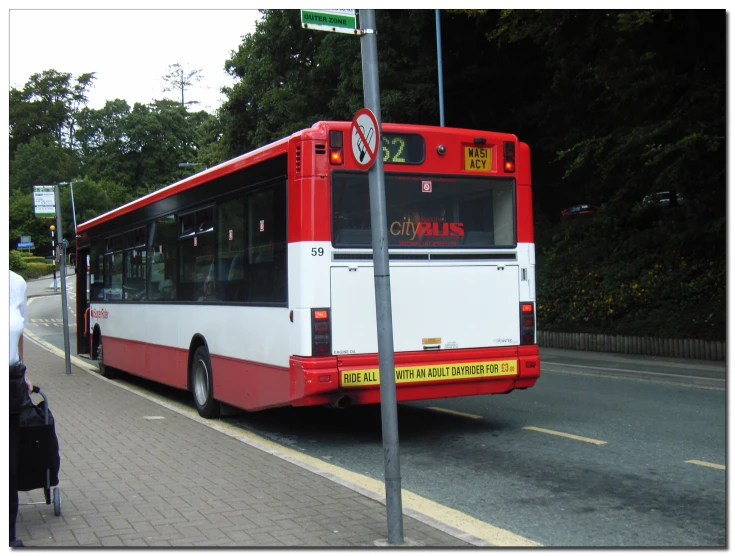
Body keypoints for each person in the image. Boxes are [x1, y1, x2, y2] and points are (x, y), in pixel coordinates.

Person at [9, 270, 32, 547]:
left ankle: (9, 535)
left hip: (10, 384)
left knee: (10, 465)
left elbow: (20, 331)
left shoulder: (17, 283)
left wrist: (24, 372)